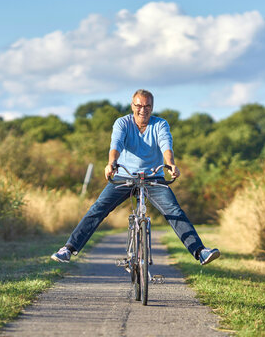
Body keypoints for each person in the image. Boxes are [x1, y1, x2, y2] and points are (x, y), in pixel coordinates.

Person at [51, 89, 220, 265]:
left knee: (174, 211)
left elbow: (165, 144)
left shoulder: (160, 124)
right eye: (138, 105)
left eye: (147, 106)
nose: (142, 110)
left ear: (152, 108)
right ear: (132, 106)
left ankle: (200, 251)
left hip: (153, 178)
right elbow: (116, 144)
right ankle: (68, 249)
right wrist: (112, 163)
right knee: (98, 208)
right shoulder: (122, 123)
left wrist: (170, 164)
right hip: (124, 176)